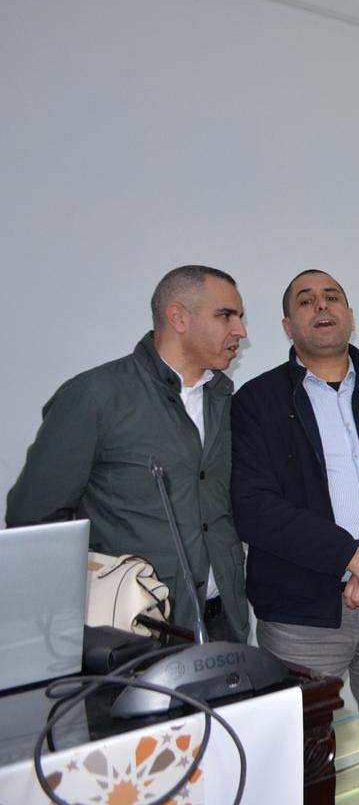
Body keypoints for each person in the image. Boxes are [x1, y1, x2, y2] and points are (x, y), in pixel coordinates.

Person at [230, 269, 359, 804]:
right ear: (287, 325)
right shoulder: (257, 401)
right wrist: (352, 558)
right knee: (298, 761)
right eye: (306, 300)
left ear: (350, 316)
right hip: (301, 617)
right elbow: (253, 508)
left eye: (332, 297)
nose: (322, 306)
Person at [7, 264, 250, 641]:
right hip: (134, 630)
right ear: (178, 317)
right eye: (225, 315)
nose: (240, 330)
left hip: (223, 622)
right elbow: (34, 520)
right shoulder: (95, 396)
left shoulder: (225, 401)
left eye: (240, 317)